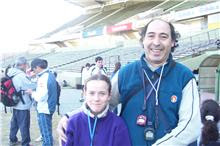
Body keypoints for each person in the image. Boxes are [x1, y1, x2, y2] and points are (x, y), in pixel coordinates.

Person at [57, 19, 202, 146]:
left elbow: (191, 126)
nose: (156, 42)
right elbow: (101, 101)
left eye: (163, 37)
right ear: (143, 41)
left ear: (172, 42)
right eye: (151, 36)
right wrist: (71, 116)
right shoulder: (125, 73)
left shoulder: (184, 76)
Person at [62, 74, 131, 146]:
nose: (96, 99)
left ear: (109, 95)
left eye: (102, 93)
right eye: (91, 93)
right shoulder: (72, 123)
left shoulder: (118, 125)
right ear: (85, 94)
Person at [26, 58, 57, 146]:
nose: (34, 71)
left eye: (34, 69)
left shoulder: (44, 78)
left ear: (38, 67)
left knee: (46, 132)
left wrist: (32, 93)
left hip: (45, 108)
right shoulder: (48, 74)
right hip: (48, 106)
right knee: (47, 130)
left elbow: (40, 97)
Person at [7, 57, 36, 146]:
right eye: (26, 64)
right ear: (22, 65)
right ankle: (26, 143)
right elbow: (30, 86)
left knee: (14, 123)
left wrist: (28, 76)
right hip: (22, 104)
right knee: (24, 125)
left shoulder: (11, 72)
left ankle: (13, 139)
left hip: (14, 102)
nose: (27, 66)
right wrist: (38, 81)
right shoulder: (20, 75)